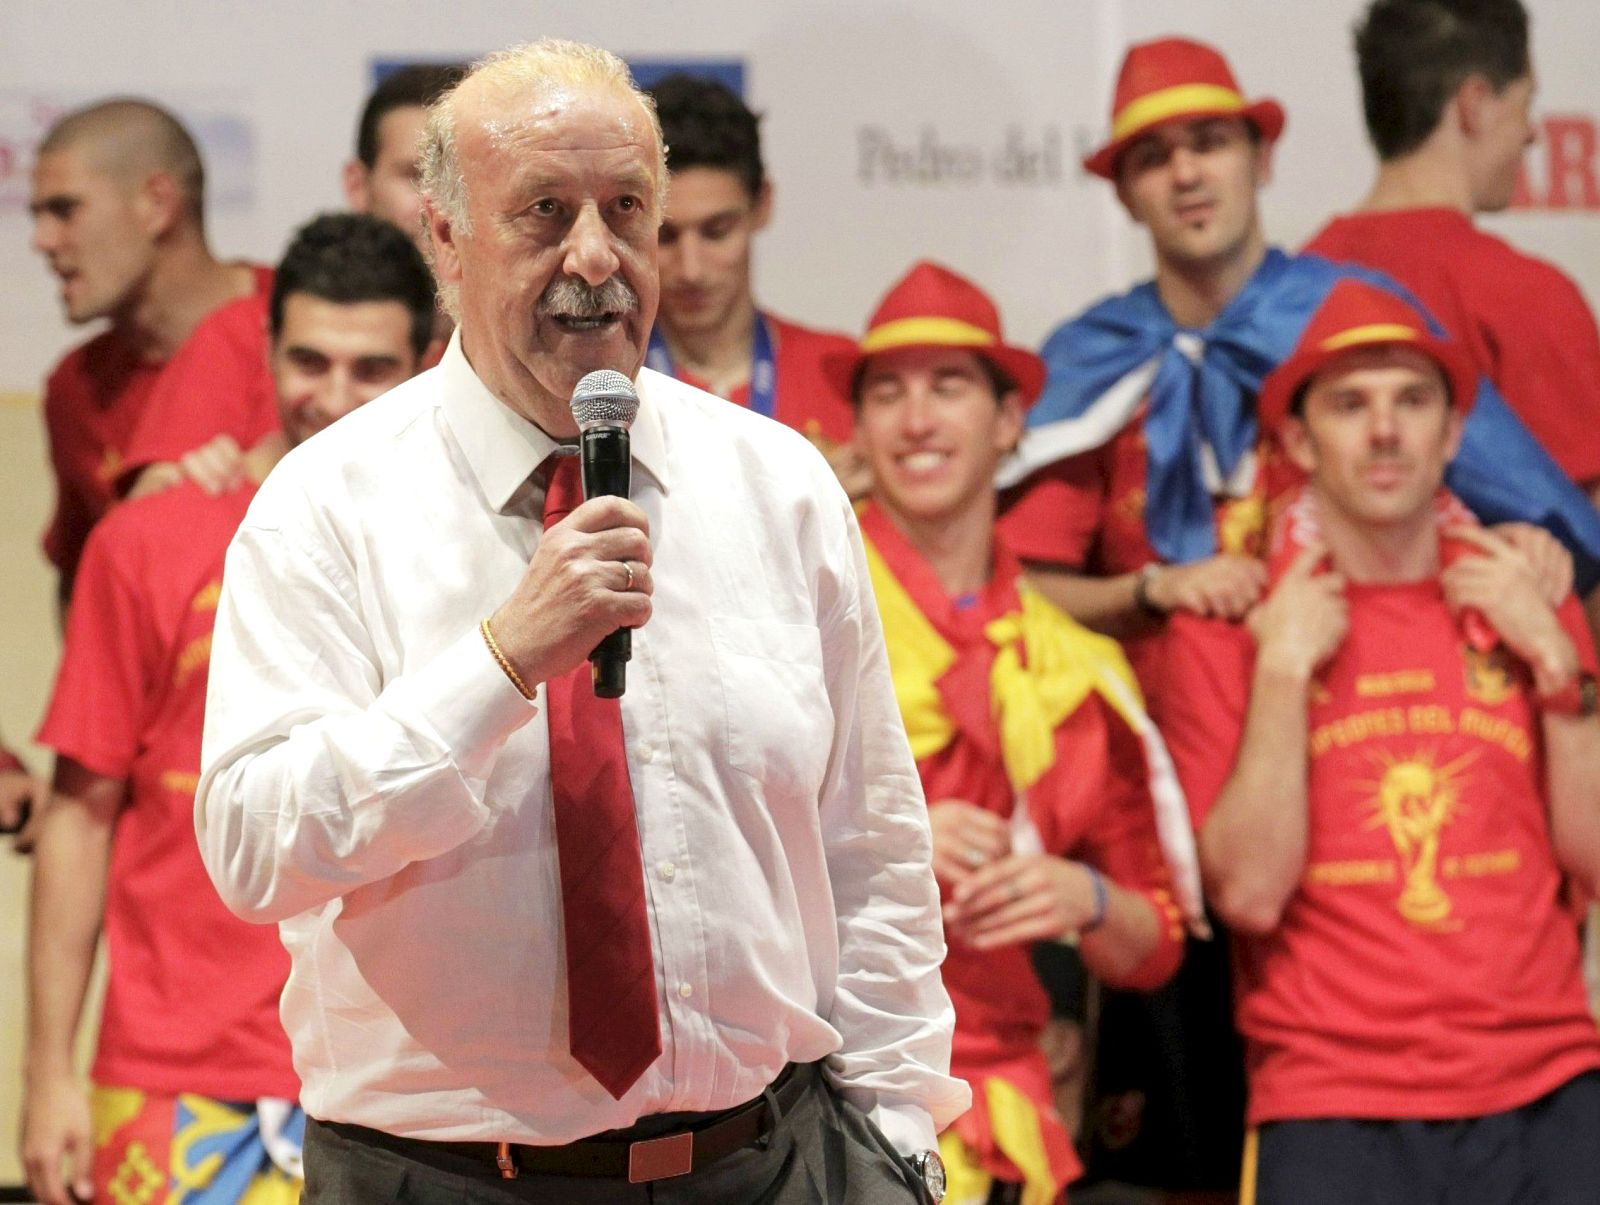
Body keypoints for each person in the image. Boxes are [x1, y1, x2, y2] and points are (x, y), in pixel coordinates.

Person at [195, 39, 964, 1204]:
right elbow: (256, 848)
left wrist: (899, 1131)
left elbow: (869, 841)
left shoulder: (778, 484)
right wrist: (501, 661)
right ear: (444, 239)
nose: (595, 258)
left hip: (769, 1161)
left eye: (625, 209)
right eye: (544, 213)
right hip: (445, 1176)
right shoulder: (326, 505)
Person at [20, 211, 438, 1205]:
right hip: (176, 1081)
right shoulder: (147, 540)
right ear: (265, 348)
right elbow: (81, 817)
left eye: (370, 368)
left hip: (405, 1081)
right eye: (307, 360)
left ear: (428, 361)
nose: (331, 399)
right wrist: (45, 1071)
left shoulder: (468, 550)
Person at [1163, 278, 1600, 1205]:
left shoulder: (1531, 600)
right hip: (1333, 1104)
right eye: (1351, 405)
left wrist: (1561, 664)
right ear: (1297, 440)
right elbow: (1246, 891)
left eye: (1412, 400)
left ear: (1452, 433)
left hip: (1550, 1086)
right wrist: (1282, 674)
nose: (1387, 430)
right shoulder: (1230, 631)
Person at [836, 260, 1200, 1203]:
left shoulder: (1074, 666)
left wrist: (1081, 894)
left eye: (948, 386)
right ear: (861, 431)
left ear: (1008, 424)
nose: (917, 420)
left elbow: (1153, 940)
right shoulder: (804, 615)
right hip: (811, 1105)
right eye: (889, 392)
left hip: (1005, 1118)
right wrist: (889, 832)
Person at [121, 63, 464, 499]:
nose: (441, 206)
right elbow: (150, 522)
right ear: (358, 185)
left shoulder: (520, 350)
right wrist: (191, 489)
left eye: (461, 182)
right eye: (416, 176)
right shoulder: (239, 333)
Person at [1306, 0, 1600, 496]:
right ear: (1475, 104)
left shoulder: (1291, 284)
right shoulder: (1529, 296)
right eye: (1525, 104)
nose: (1531, 133)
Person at [28, 98, 268, 600]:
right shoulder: (74, 389)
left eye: (64, 210)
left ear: (157, 204)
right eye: (38, 215)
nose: (42, 240)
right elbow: (80, 586)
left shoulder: (314, 333)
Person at [646, 74, 860, 480]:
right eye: (665, 236)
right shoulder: (607, 387)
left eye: (717, 231)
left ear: (762, 205)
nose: (691, 269)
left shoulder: (841, 374)